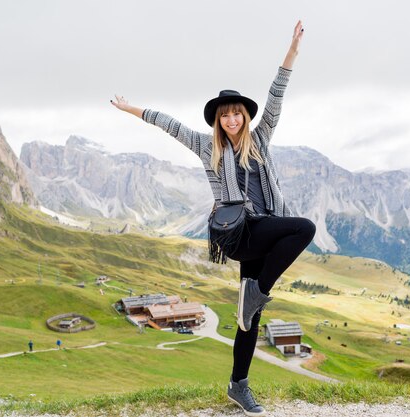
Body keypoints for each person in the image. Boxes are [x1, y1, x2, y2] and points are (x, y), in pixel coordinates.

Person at [111, 20, 315, 417]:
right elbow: (168, 124)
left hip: (265, 229)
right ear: (218, 120)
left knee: (248, 320)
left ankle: (238, 385)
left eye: (236, 114)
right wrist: (129, 108)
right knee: (304, 228)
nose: (232, 121)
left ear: (244, 116)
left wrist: (292, 50)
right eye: (225, 116)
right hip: (239, 234)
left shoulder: (261, 137)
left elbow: (277, 93)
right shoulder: (208, 148)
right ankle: (257, 292)